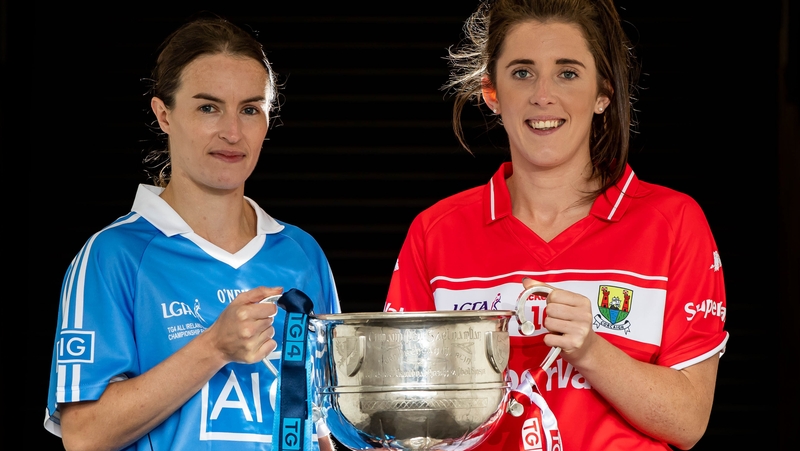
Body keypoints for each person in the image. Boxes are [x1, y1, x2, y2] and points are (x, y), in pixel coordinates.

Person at [383, 0, 728, 450]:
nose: (542, 95)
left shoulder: (673, 222)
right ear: (491, 91)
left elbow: (688, 421)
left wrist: (590, 350)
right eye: (522, 72)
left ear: (603, 92)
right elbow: (402, 417)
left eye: (567, 73)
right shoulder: (436, 232)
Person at [44, 17, 340, 451]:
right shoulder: (114, 255)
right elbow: (84, 435)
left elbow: (319, 425)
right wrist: (215, 347)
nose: (232, 133)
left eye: (250, 109)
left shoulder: (302, 253)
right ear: (163, 114)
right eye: (208, 108)